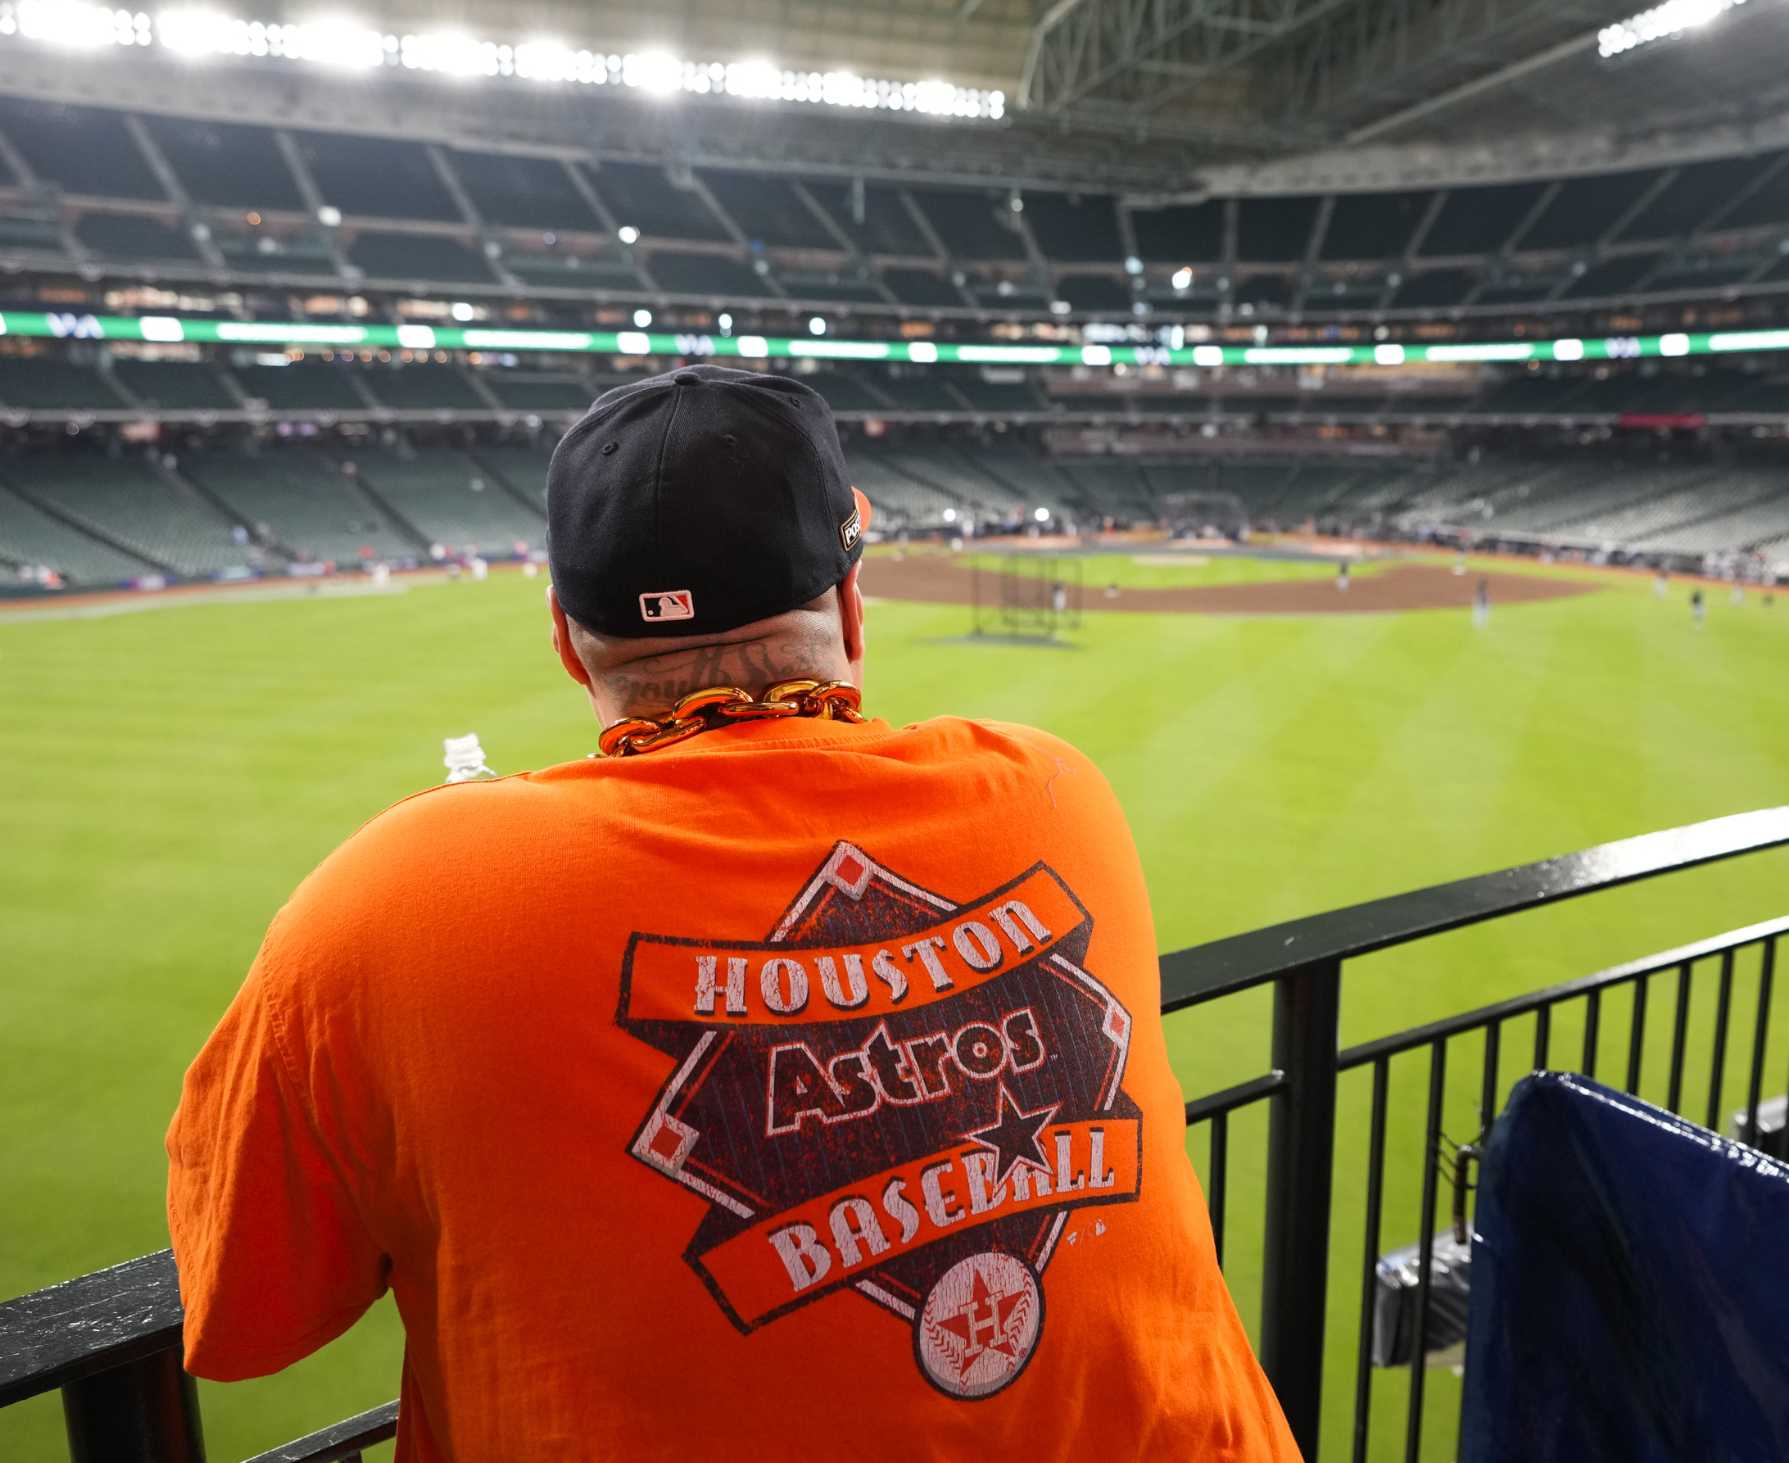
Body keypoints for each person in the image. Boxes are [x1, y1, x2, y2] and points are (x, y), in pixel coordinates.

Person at [166, 366, 1300, 1463]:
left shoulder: (391, 896)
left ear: (567, 639)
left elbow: (245, 1313)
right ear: (850, 606)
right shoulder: (1056, 792)